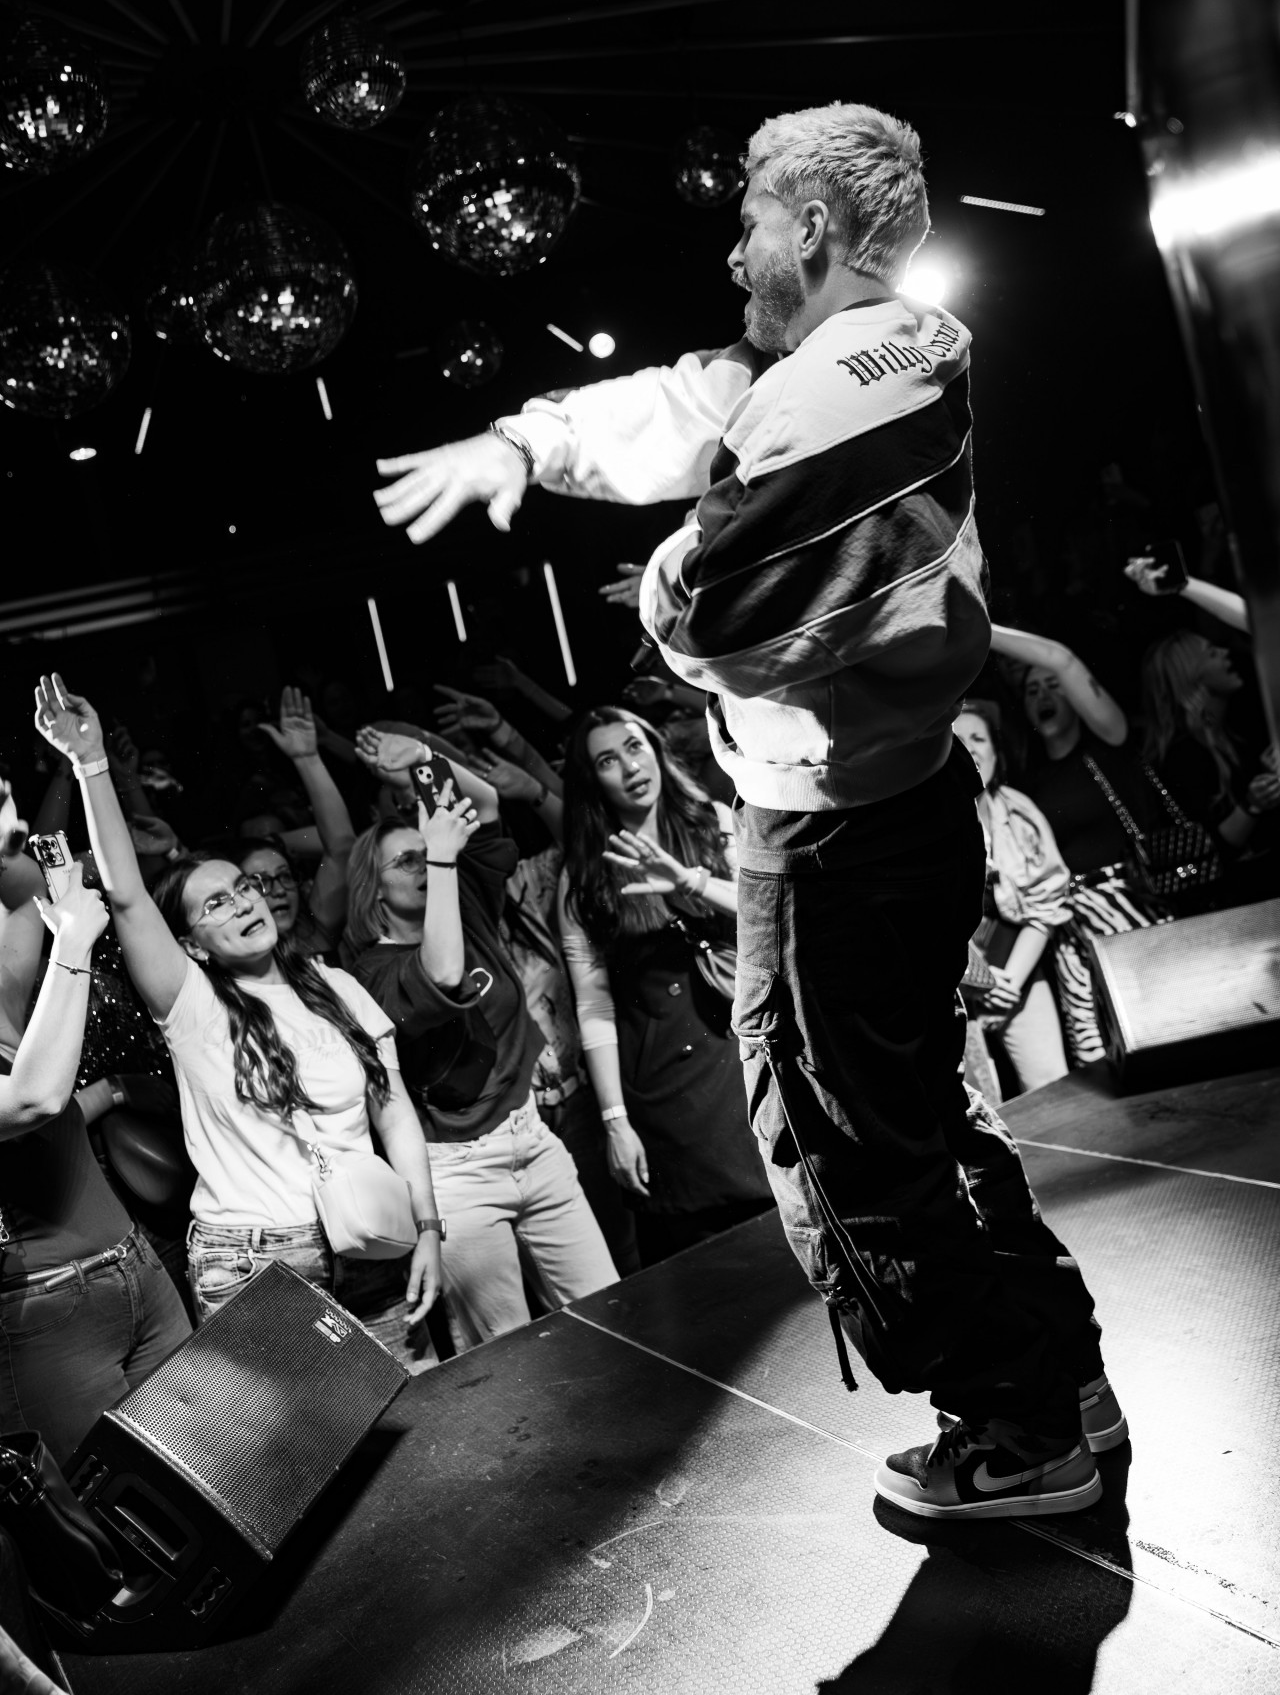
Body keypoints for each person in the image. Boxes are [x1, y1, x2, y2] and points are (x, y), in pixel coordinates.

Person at [372, 100, 1121, 1520]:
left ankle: (1016, 1433)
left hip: (838, 835)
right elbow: (696, 397)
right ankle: (1054, 1374)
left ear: (813, 228)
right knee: (927, 1122)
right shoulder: (877, 352)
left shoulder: (836, 402)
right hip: (889, 805)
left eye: (749, 224)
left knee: (853, 1142)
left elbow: (718, 614)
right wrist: (525, 445)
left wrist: (662, 577)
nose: (731, 255)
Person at [32, 674, 443, 1371]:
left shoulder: (336, 986)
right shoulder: (192, 1004)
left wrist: (428, 1225)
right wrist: (91, 763)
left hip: (371, 1243)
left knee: (415, 1411)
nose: (243, 902)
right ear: (191, 944)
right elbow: (128, 897)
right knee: (293, 1441)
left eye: (242, 887)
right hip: (256, 1264)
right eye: (215, 904)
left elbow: (394, 1109)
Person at [342, 728, 618, 1350]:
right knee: (507, 1350)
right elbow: (441, 973)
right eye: (406, 861)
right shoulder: (371, 972)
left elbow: (487, 803)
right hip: (459, 1173)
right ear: (372, 887)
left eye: (427, 854)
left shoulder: (462, 900)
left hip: (531, 1137)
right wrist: (441, 858)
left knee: (609, 1312)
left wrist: (423, 760)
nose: (424, 864)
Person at [559, 707, 773, 1265]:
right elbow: (594, 1004)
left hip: (741, 1060)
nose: (630, 766)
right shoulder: (584, 875)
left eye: (635, 746)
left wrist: (689, 882)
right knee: (707, 1266)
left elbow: (766, 910)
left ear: (655, 749)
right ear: (592, 780)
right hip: (663, 1091)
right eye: (607, 760)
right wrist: (615, 1121)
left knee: (784, 1224)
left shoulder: (710, 822)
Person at [1, 859, 190, 1466]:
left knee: (204, 1465)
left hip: (136, 1267)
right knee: (106, 1500)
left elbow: (23, 886)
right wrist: (74, 943)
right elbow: (34, 1099)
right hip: (46, 1312)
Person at [998, 623, 1170, 1065]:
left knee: (1164, 1023)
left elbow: (1064, 660)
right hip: (1071, 926)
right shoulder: (1024, 782)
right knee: (1099, 1052)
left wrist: (974, 624)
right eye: (1032, 690)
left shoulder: (1110, 746)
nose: (1043, 695)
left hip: (1127, 907)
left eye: (1053, 685)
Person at [951, 702, 1071, 1097]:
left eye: (978, 738)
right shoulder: (920, 823)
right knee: (981, 1101)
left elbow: (1046, 905)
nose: (969, 747)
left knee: (1051, 1084)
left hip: (1015, 968)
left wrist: (1010, 985)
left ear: (996, 754)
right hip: (953, 980)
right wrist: (976, 980)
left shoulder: (1018, 811)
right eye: (957, 739)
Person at [1141, 632, 1280, 904]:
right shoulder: (1181, 756)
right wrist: (1252, 805)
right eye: (1212, 653)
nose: (1225, 653)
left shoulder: (1230, 734)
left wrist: (1266, 777)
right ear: (1193, 678)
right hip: (1233, 906)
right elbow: (1207, 852)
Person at [234, 687, 358, 959]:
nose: (279, 891)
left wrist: (307, 759)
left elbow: (342, 848)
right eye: (260, 882)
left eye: (284, 876)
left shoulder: (312, 934)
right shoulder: (232, 964)